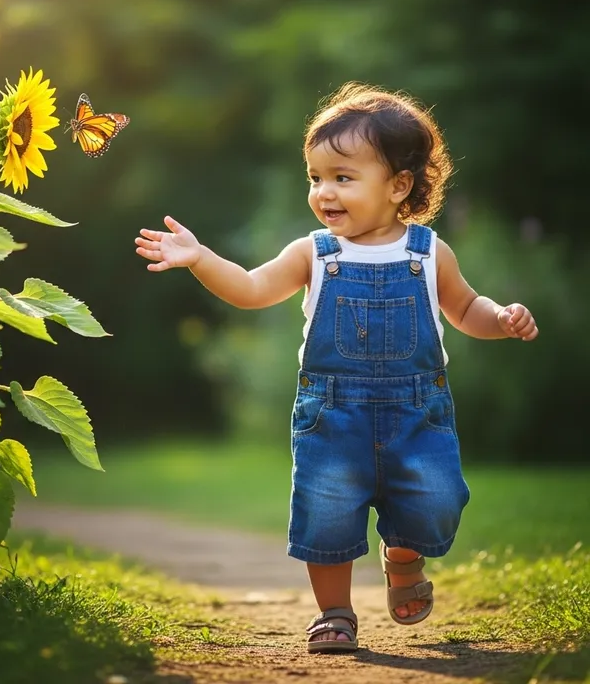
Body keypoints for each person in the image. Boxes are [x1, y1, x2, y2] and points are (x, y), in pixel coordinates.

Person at [134, 83, 538, 653]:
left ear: (398, 186)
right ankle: (335, 613)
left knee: (436, 503)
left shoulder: (428, 253)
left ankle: (403, 558)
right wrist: (201, 259)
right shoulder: (314, 253)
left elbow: (467, 309)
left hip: (417, 415)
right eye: (315, 177)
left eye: (343, 177)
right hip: (332, 416)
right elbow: (251, 289)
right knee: (325, 517)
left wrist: (501, 317)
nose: (324, 191)